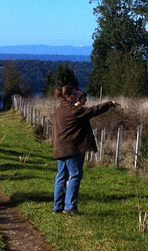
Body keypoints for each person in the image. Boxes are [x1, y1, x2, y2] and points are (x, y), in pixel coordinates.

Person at [52, 85, 118, 215]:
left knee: (61, 176)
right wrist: (109, 104)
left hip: (60, 148)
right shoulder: (73, 111)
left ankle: (58, 206)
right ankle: (70, 207)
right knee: (75, 175)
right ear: (68, 96)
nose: (78, 97)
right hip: (72, 148)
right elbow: (92, 111)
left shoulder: (57, 111)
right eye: (75, 94)